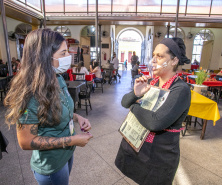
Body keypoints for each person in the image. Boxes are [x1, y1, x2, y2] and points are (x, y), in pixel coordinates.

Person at [4, 29, 93, 185]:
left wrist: (78, 117)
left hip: (66, 154)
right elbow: (26, 141)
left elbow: (59, 109)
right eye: (63, 53)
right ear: (44, 57)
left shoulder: (57, 78)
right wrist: (72, 140)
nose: (68, 58)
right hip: (51, 165)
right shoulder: (29, 93)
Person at [115, 37, 191, 185]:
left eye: (160, 56)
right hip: (140, 147)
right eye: (154, 55)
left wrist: (134, 106)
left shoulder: (180, 89)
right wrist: (136, 94)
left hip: (159, 154)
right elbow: (124, 102)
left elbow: (155, 122)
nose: (154, 60)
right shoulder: (151, 82)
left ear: (174, 61)